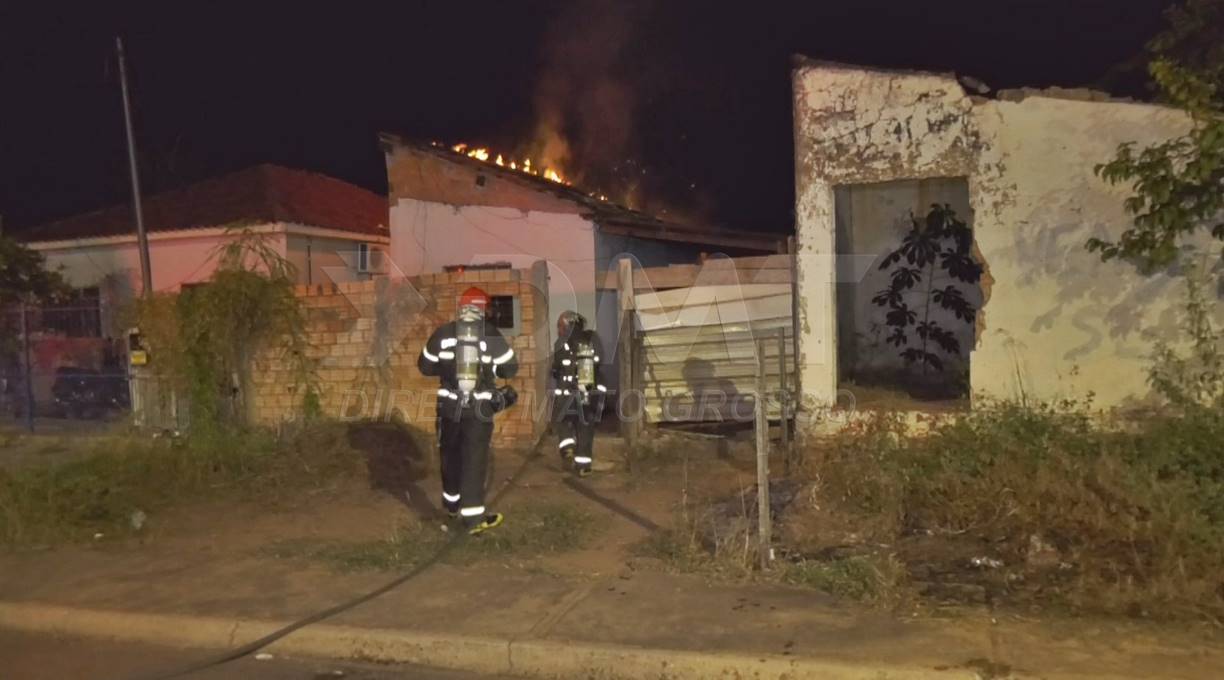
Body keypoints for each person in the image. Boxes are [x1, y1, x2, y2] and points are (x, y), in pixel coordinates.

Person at [418, 286, 519, 534]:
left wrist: (448, 370)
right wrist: (490, 370)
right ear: (483, 309)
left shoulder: (443, 333)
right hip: (478, 410)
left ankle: (452, 507)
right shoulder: (490, 334)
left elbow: (425, 366)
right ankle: (473, 519)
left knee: (449, 456)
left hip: (448, 408)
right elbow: (510, 368)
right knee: (474, 459)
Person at [551, 310, 607, 477]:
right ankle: (584, 466)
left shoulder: (561, 342)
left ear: (566, 325)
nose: (558, 330)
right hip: (588, 391)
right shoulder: (591, 337)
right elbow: (600, 359)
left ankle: (567, 449)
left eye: (559, 326)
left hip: (567, 392)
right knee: (585, 427)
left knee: (563, 420)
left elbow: (556, 367)